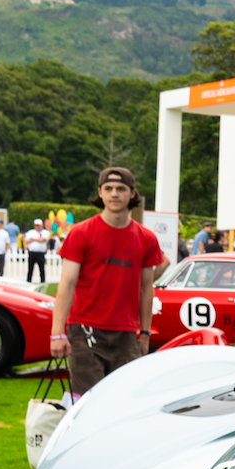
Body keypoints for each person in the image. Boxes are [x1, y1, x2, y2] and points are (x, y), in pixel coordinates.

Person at [48, 167, 165, 395]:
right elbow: (67, 285)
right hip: (84, 329)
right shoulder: (81, 233)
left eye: (121, 189)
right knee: (87, 400)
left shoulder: (147, 238)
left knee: (123, 400)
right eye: (108, 189)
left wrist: (145, 332)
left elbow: (146, 289)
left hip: (126, 332)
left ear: (132, 194)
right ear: (99, 193)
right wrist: (57, 333)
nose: (114, 194)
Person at [23, 217, 53, 283]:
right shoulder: (30, 232)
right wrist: (37, 239)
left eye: (38, 225)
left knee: (41, 268)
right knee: (30, 268)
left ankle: (42, 281)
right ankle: (28, 281)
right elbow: (26, 240)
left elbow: (43, 239)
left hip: (41, 253)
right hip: (32, 252)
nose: (37, 226)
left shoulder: (45, 232)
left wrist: (33, 239)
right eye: (36, 225)